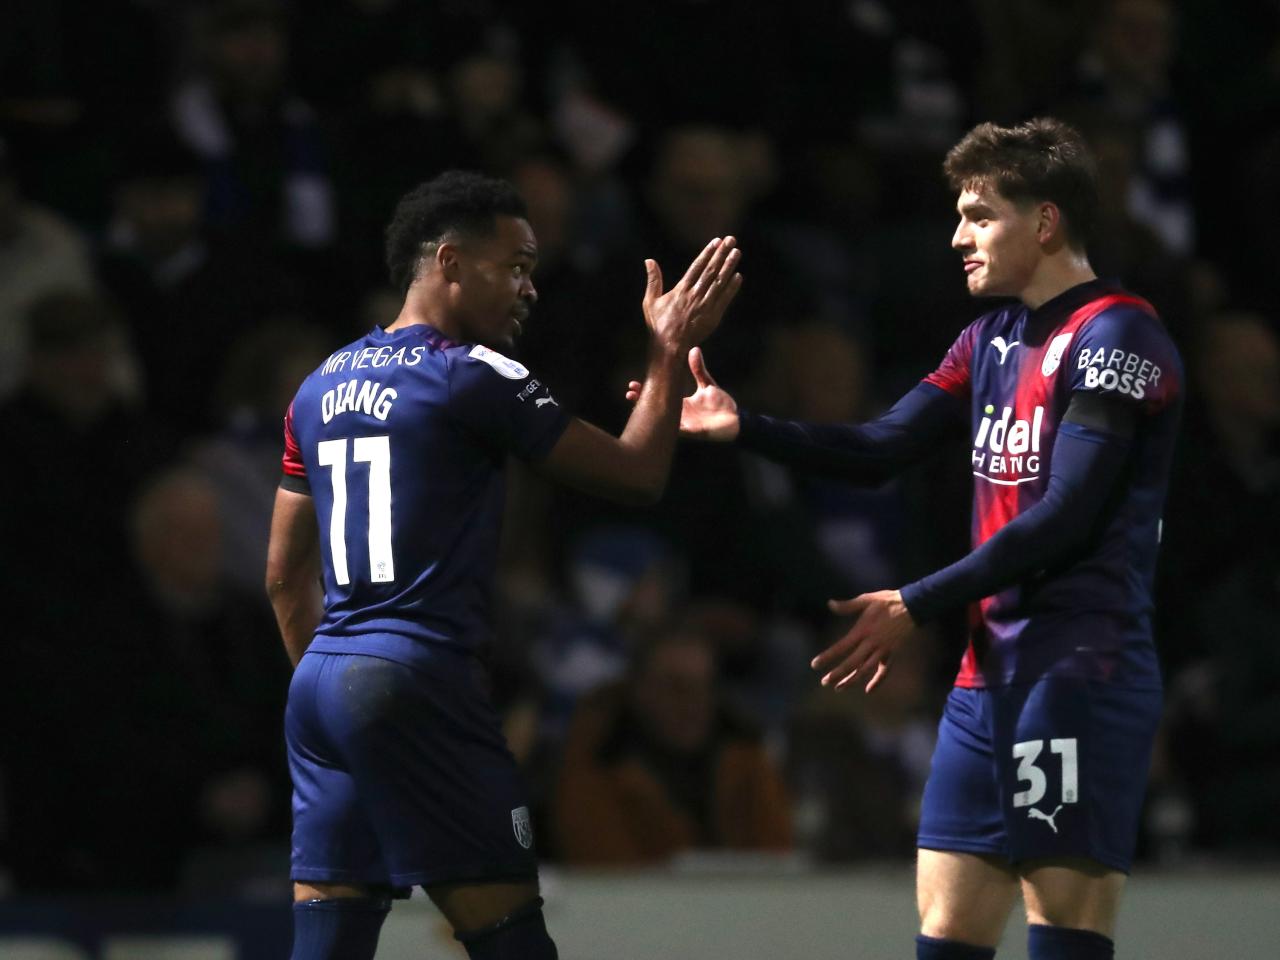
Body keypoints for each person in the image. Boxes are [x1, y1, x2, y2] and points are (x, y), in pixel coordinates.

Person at [631, 118, 1183, 959]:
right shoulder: (988, 339)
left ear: (1045, 222)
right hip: (985, 677)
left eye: (980, 216)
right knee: (947, 931)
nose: (959, 237)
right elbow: (878, 449)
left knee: (1064, 934)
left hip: (1079, 673)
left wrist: (915, 602)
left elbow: (1067, 514)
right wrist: (746, 427)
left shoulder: (1119, 335)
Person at [265, 170, 740, 960]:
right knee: (511, 943)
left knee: (329, 946)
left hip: (321, 685)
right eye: (515, 267)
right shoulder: (470, 373)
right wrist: (667, 349)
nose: (529, 289)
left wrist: (341, 692)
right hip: (418, 677)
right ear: (449, 261)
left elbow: (284, 578)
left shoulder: (316, 387)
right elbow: (637, 475)